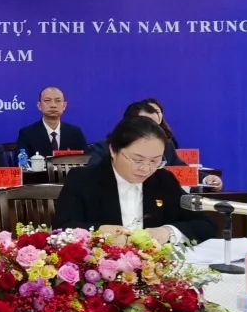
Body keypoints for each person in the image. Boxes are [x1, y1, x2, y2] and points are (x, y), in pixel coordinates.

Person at [54, 116, 216, 245]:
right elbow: (62, 228)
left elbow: (206, 224)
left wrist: (167, 232)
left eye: (155, 161)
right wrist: (99, 231)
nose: (146, 169)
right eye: (137, 160)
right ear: (113, 150)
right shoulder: (83, 180)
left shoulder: (163, 180)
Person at [87, 101, 222, 191]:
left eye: (157, 125)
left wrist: (206, 178)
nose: (153, 130)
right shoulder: (103, 147)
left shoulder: (166, 146)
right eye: (147, 124)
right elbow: (95, 177)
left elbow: (181, 169)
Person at [15, 87, 88, 157]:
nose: (53, 105)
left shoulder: (75, 132)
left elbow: (86, 160)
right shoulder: (27, 134)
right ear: (39, 105)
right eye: (47, 100)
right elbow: (22, 162)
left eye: (58, 101)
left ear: (64, 106)